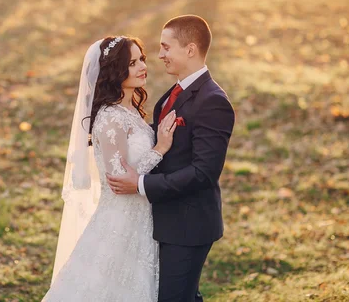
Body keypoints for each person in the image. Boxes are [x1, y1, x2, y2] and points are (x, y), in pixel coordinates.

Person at [107, 15, 235, 302]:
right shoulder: (172, 94)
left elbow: (204, 173)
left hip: (188, 225)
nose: (160, 55)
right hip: (165, 219)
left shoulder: (212, 101)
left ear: (189, 49)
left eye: (166, 47)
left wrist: (140, 184)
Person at [43, 36, 177, 301]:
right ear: (115, 71)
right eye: (131, 63)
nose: (142, 67)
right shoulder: (109, 117)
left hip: (140, 219)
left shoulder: (131, 112)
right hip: (120, 222)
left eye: (142, 59)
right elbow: (119, 180)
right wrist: (160, 149)